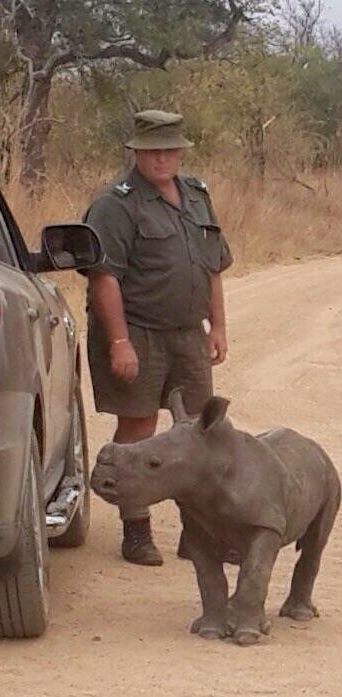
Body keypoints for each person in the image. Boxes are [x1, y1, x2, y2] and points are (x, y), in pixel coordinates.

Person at [85, 109, 233, 566]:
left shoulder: (196, 195)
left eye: (170, 149)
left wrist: (219, 325)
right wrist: (119, 343)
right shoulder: (116, 203)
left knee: (198, 431)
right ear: (136, 151)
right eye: (153, 150)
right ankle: (136, 530)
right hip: (139, 333)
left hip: (188, 333)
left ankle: (200, 533)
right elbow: (103, 277)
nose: (163, 158)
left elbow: (211, 265)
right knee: (138, 427)